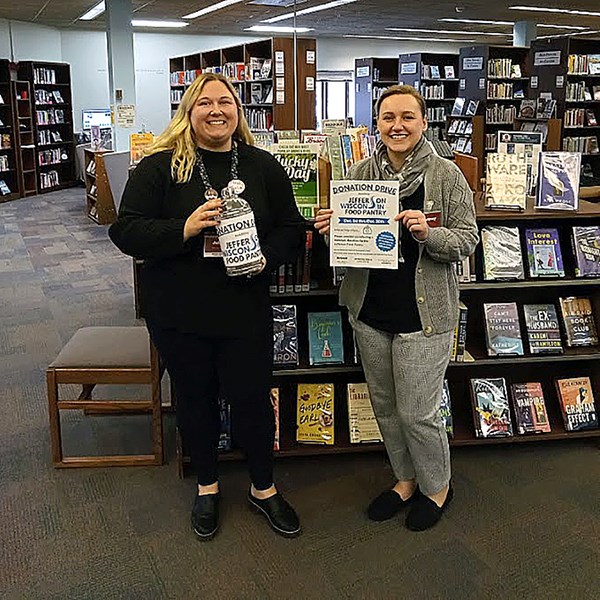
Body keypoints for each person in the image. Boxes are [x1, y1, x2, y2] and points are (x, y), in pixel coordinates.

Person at [109, 72, 305, 540]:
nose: (216, 111)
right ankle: (208, 486)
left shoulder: (261, 165)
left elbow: (292, 229)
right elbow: (125, 231)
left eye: (226, 102)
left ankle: (263, 487)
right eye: (205, 103)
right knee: (194, 399)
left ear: (238, 112)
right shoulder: (159, 167)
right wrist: (183, 228)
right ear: (188, 111)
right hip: (180, 311)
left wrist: (265, 257)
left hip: (244, 307)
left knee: (253, 400)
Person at [314, 85, 479, 531]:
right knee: (385, 407)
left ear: (423, 122)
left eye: (407, 116)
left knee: (417, 412)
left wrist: (428, 235)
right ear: (376, 125)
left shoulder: (446, 176)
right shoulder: (361, 173)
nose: (398, 125)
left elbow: (468, 240)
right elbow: (351, 254)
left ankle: (437, 486)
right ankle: (405, 480)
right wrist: (334, 233)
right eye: (388, 117)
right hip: (370, 312)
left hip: (425, 318)